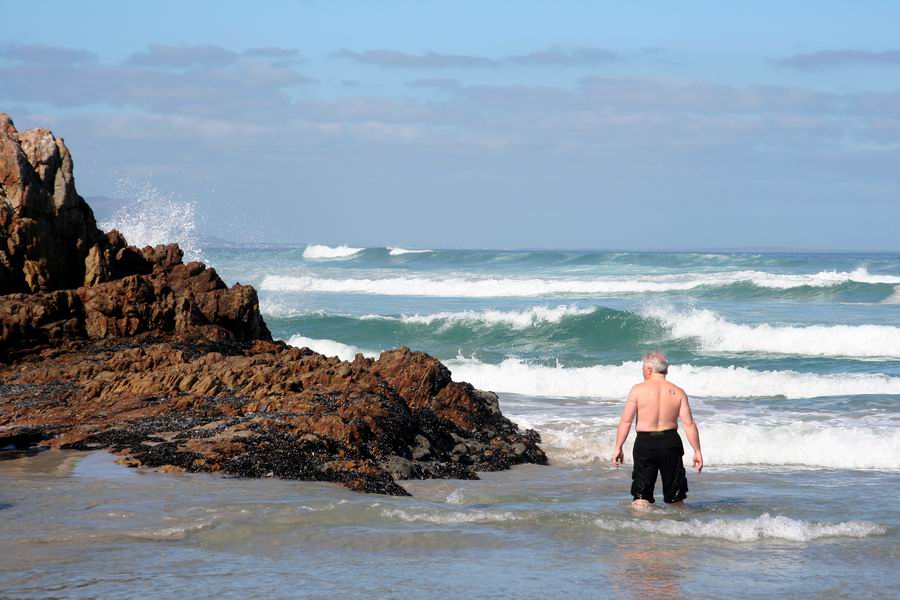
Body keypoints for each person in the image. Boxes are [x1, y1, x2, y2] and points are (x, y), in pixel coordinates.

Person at [611, 351, 703, 508]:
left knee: (641, 495)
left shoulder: (638, 390)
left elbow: (626, 421)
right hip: (670, 443)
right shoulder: (678, 392)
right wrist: (697, 451)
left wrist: (618, 447)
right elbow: (689, 424)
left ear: (648, 369)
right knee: (676, 497)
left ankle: (643, 529)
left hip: (645, 443)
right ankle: (680, 528)